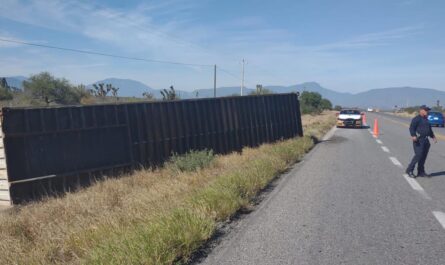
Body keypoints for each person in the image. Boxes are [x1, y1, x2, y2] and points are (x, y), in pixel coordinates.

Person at [405, 105, 437, 178]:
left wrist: (433, 137)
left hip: (426, 141)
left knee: (423, 157)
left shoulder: (426, 119)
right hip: (419, 140)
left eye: (428, 110)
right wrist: (413, 135)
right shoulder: (416, 119)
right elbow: (411, 128)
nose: (427, 112)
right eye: (426, 110)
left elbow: (429, 129)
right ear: (421, 110)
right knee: (418, 155)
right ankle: (409, 170)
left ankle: (421, 172)